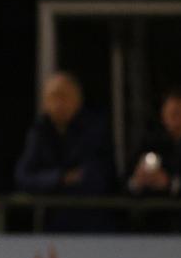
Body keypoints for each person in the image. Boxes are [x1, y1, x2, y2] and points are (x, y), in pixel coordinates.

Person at [15, 71, 115, 231]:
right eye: (53, 97)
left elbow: (95, 178)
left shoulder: (94, 131)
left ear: (78, 100)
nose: (58, 103)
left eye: (64, 96)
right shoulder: (39, 131)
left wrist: (52, 182)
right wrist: (59, 178)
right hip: (50, 225)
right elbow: (24, 177)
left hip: (91, 224)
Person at [128, 87, 181, 198]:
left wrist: (170, 183)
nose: (174, 118)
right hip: (152, 211)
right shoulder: (151, 143)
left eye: (178, 112)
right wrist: (137, 181)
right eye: (170, 113)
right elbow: (126, 183)